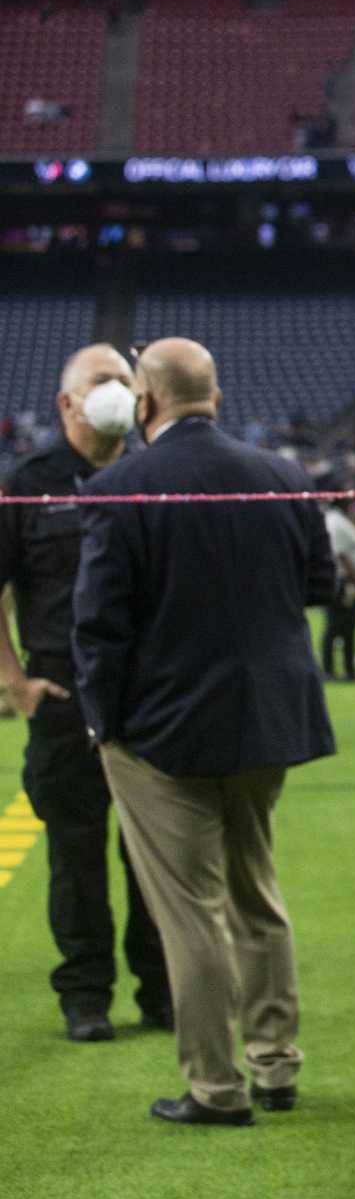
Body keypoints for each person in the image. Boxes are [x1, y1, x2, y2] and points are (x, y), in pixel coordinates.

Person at [72, 338, 337, 1126]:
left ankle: (215, 1087)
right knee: (257, 893)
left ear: (144, 401)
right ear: (215, 397)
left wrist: (102, 724)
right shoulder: (284, 475)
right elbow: (319, 584)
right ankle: (276, 1066)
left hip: (159, 734)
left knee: (191, 911)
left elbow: (98, 626)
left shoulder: (119, 486)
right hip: (265, 722)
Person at [0, 344, 170, 1042]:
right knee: (75, 855)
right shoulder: (29, 481)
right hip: (62, 692)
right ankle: (85, 995)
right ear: (67, 403)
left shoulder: (156, 472)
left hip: (149, 694)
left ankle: (161, 991)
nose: (118, 392)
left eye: (126, 381)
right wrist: (14, 682)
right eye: (103, 381)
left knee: (154, 856)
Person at [322, 497, 355, 681]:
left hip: (347, 580)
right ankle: (329, 670)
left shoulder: (340, 520)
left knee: (349, 627)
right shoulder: (336, 521)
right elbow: (340, 553)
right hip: (345, 581)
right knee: (335, 627)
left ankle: (349, 669)